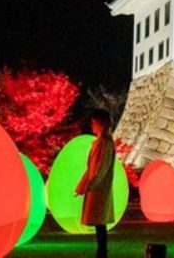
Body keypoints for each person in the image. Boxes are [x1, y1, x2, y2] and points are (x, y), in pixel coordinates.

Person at [75, 109, 116, 258]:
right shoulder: (101, 143)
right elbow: (92, 167)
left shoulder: (104, 143)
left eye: (94, 122)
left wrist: (89, 185)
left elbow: (99, 168)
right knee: (99, 223)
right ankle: (101, 250)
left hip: (99, 188)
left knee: (100, 222)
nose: (92, 125)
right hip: (97, 187)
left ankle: (102, 251)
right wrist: (83, 185)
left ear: (101, 123)